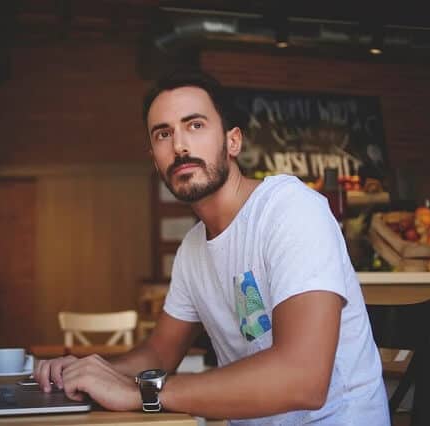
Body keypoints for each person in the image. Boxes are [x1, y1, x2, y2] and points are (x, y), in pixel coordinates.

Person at [34, 70, 389, 424]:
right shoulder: (192, 249)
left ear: (233, 142)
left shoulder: (290, 209)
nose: (179, 145)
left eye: (196, 125)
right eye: (163, 133)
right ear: (154, 156)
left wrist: (143, 392)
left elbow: (303, 379)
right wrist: (89, 373)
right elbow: (159, 352)